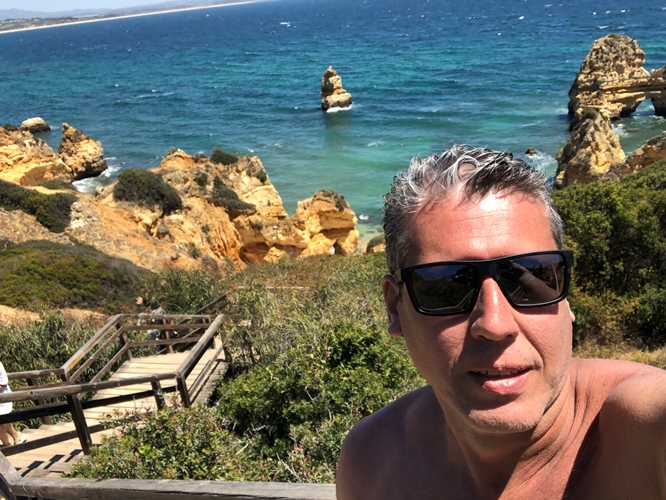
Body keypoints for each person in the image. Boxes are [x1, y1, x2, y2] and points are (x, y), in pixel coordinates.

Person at [336, 145, 666, 499]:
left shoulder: (642, 430)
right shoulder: (371, 461)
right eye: (447, 285)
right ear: (395, 308)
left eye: (531, 275)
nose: (495, 324)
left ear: (565, 297)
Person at [0, 361, 26, 447]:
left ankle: (8, 443)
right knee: (2, 422)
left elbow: (3, 383)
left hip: (3, 398)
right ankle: (7, 443)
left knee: (3, 420)